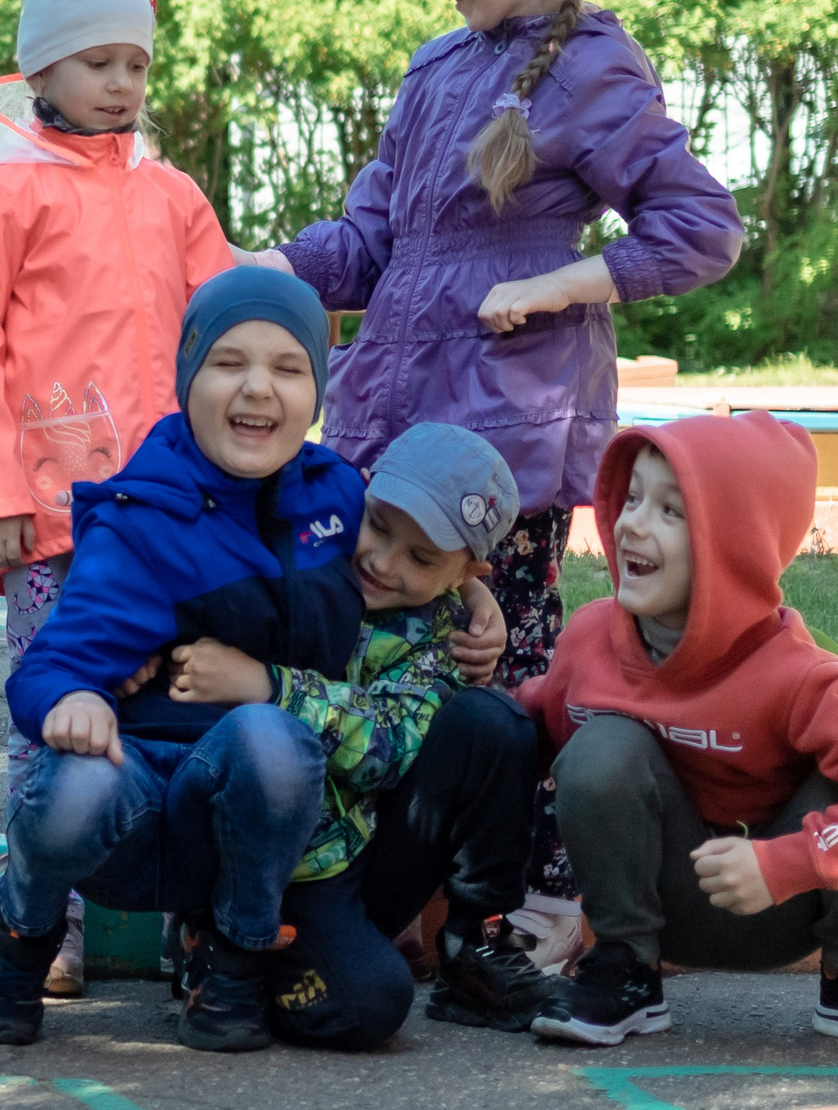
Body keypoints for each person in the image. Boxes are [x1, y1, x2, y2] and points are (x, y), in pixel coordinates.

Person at [259, 0, 743, 956]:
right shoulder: (433, 73)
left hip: (504, 434)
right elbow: (372, 240)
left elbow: (698, 227)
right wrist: (266, 268)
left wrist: (566, 285)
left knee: (509, 661)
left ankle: (525, 901)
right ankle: (395, 891)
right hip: (392, 406)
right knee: (381, 642)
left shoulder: (590, 71)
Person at [0, 268, 370, 1050]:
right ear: (187, 375)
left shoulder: (339, 498)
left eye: (289, 368)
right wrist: (73, 701)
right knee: (77, 782)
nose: (257, 389)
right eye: (228, 363)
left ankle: (230, 953)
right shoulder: (144, 512)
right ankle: (18, 930)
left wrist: (466, 598)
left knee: (273, 738)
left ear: (318, 388)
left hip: (247, 816)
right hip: (136, 808)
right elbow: (43, 670)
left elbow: (407, 573)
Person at [0, 0, 229, 989]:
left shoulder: (172, 193)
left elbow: (229, 316)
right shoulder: (2, 189)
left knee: (185, 716)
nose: (120, 83)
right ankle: (30, 913)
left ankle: (195, 920)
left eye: (136, 64)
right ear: (43, 64)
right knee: (46, 712)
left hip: (176, 518)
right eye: (98, 61)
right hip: (54, 512)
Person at [521, 412, 838, 1053]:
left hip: (785, 905)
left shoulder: (793, 673)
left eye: (671, 512)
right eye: (631, 499)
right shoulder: (589, 640)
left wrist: (785, 863)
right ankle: (625, 974)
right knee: (601, 746)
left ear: (731, 543)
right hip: (658, 905)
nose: (632, 523)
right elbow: (533, 728)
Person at [160, 423, 549, 1048]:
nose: (383, 560)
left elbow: (384, 753)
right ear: (357, 496)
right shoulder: (305, 552)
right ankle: (218, 939)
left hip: (349, 863)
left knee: (492, 723)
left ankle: (472, 947)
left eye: (422, 558)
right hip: (253, 843)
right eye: (379, 525)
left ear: (465, 571)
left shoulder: (446, 635)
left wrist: (267, 684)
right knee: (367, 1000)